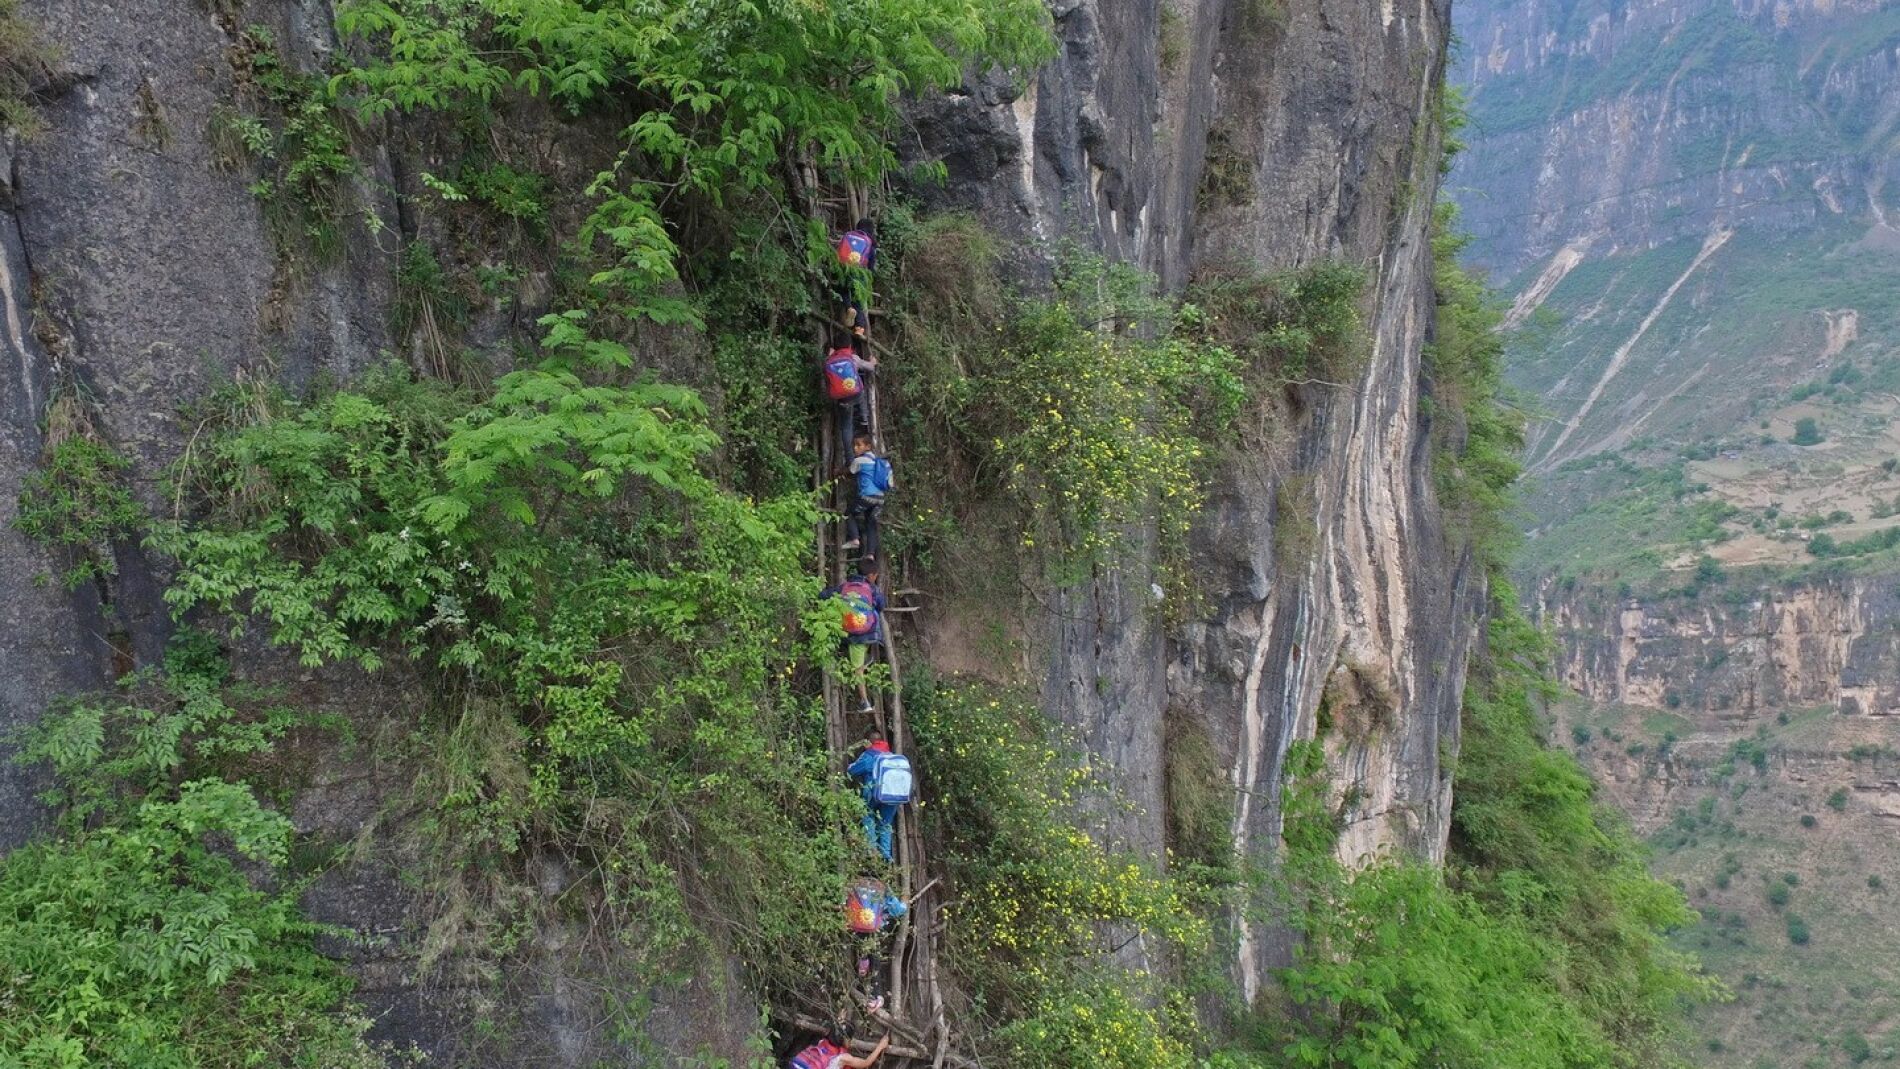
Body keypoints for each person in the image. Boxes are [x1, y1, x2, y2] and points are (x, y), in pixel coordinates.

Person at [821, 572, 884, 714]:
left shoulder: (843, 588)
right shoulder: (871, 589)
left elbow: (823, 595)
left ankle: (865, 703)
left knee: (857, 671)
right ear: (871, 575)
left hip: (853, 636)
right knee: (859, 664)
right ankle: (867, 661)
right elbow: (881, 606)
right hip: (871, 633)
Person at [846, 727, 912, 862]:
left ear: (868, 742)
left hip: (873, 792)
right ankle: (886, 856)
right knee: (885, 823)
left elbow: (852, 771)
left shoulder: (869, 755)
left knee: (867, 815)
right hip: (891, 795)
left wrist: (850, 766)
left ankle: (871, 849)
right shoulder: (891, 756)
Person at [845, 876, 909, 1013]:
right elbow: (897, 910)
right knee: (875, 958)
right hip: (874, 929)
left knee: (862, 946)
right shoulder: (882, 887)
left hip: (856, 929)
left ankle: (862, 961)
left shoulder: (852, 883)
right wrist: (904, 905)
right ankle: (876, 996)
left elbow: (844, 905)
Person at [821, 343, 877, 458]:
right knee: (862, 392)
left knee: (846, 427)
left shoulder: (828, 362)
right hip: (856, 395)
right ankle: (864, 418)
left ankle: (850, 459)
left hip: (843, 400)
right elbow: (870, 368)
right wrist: (873, 362)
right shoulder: (852, 357)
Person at [842, 436, 891, 561]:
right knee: (871, 524)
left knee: (848, 513)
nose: (855, 448)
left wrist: (837, 472)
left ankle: (854, 539)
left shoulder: (860, 461)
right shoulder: (877, 460)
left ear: (868, 447)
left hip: (867, 497)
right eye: (855, 445)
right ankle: (870, 553)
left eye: (859, 445)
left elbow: (849, 472)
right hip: (880, 498)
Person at [790, 1027, 891, 1069]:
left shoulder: (822, 1042)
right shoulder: (843, 1058)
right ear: (846, 1040)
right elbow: (866, 1063)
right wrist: (881, 1046)